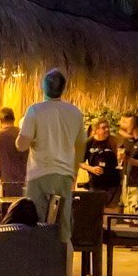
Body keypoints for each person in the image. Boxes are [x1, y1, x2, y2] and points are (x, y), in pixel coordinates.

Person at [17, 69, 83, 240]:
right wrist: (74, 172)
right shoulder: (75, 112)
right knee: (63, 228)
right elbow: (80, 146)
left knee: (35, 226)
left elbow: (21, 146)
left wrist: (27, 136)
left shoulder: (34, 110)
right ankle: (63, 256)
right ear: (64, 88)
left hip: (39, 173)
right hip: (65, 175)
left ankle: (40, 256)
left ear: (42, 86)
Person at [80, 119, 122, 203]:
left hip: (113, 182)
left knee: (111, 208)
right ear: (96, 130)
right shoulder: (89, 143)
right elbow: (79, 162)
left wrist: (120, 157)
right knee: (95, 207)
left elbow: (122, 156)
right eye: (103, 128)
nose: (107, 129)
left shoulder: (114, 141)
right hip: (96, 183)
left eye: (108, 127)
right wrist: (91, 169)